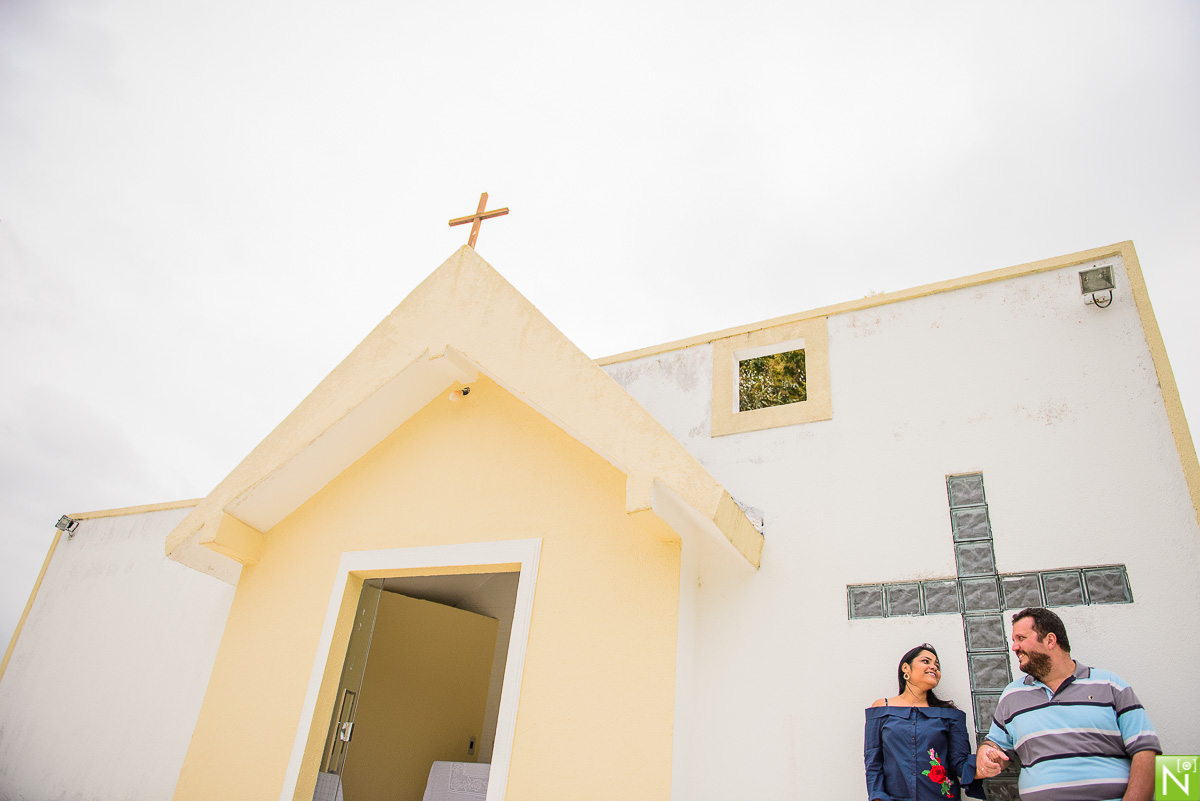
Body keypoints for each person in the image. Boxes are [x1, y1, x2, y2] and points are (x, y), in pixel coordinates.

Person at [976, 608, 1162, 801]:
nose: (1014, 647)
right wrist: (986, 753)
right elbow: (997, 746)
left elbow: (1145, 750)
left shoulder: (1109, 685)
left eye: (1021, 638)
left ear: (1050, 640)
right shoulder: (1012, 695)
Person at [865, 644, 999, 800]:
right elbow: (873, 761)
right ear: (906, 668)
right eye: (926, 661)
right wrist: (877, 797)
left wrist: (984, 763)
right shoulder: (882, 709)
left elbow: (959, 762)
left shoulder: (949, 714)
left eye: (937, 665)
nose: (934, 667)